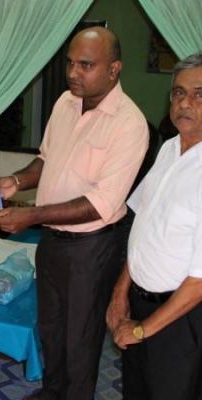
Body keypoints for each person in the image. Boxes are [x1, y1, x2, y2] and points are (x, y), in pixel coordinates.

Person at [0, 27, 149, 400]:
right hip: (53, 241)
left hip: (91, 250)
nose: (73, 73)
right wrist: (15, 180)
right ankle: (53, 392)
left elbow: (99, 203)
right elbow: (46, 159)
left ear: (114, 69)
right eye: (70, 63)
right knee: (51, 327)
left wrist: (30, 215)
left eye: (86, 65)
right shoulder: (64, 102)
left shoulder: (129, 124)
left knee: (80, 340)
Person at [107, 53, 202, 400]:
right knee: (135, 391)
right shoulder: (169, 149)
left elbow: (199, 282)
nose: (185, 103)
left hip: (182, 319)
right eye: (178, 93)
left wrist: (144, 330)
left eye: (199, 94)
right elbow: (142, 229)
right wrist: (120, 293)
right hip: (141, 306)